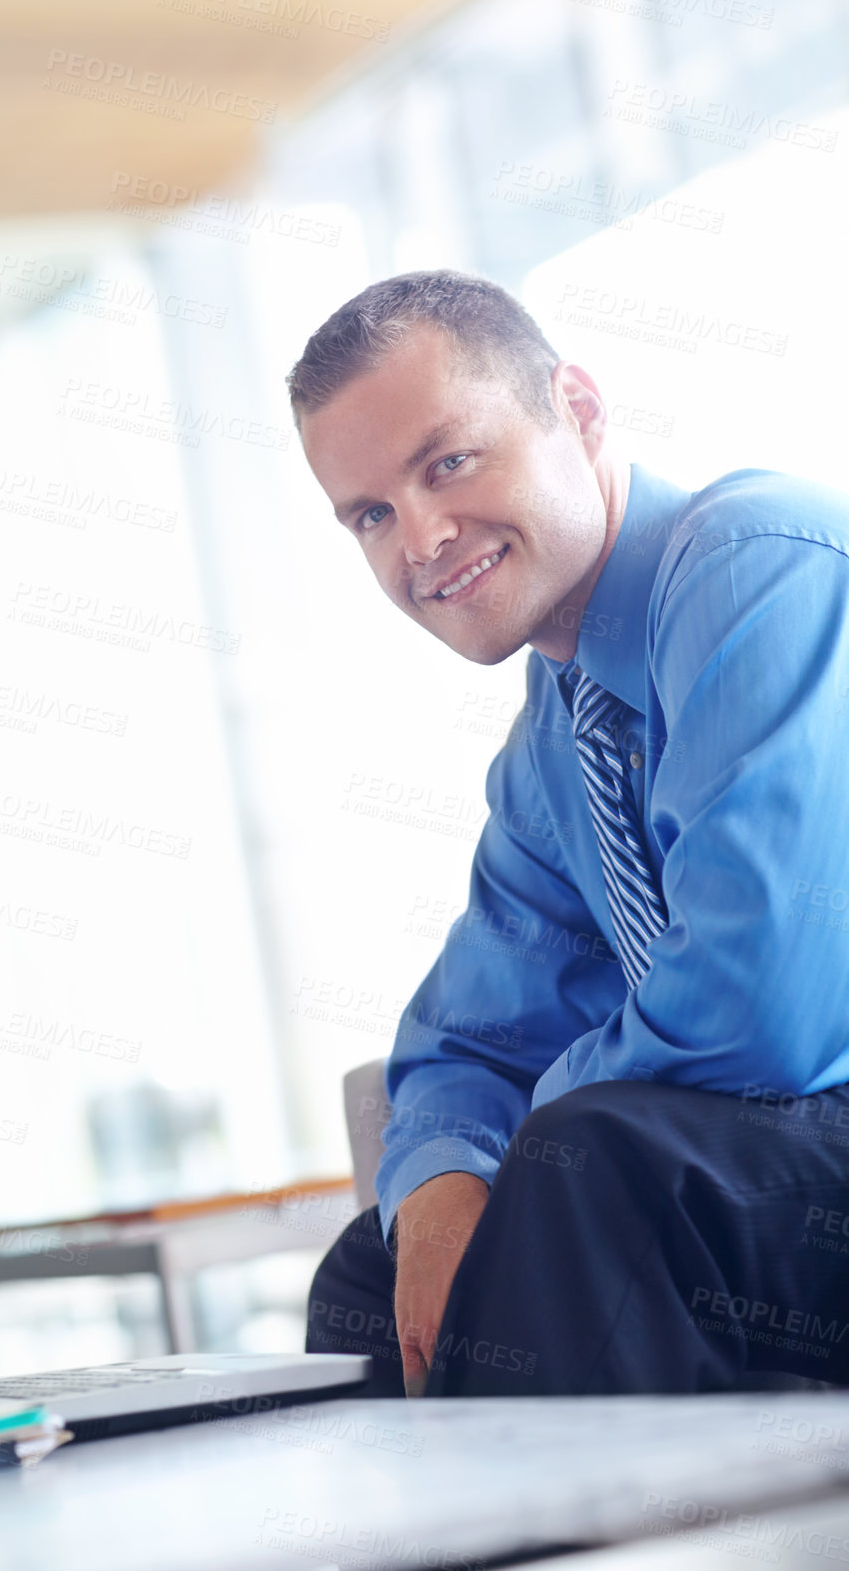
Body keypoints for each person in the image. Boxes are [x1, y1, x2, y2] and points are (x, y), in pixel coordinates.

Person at [290, 269, 849, 1398]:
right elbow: (465, 1044)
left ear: (577, 411)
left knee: (578, 1167)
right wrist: (445, 1179)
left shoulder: (755, 568)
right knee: (375, 1270)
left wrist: (519, 1147)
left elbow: (754, 1014)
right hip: (774, 1181)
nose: (423, 538)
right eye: (371, 514)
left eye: (446, 462)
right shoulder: (555, 744)